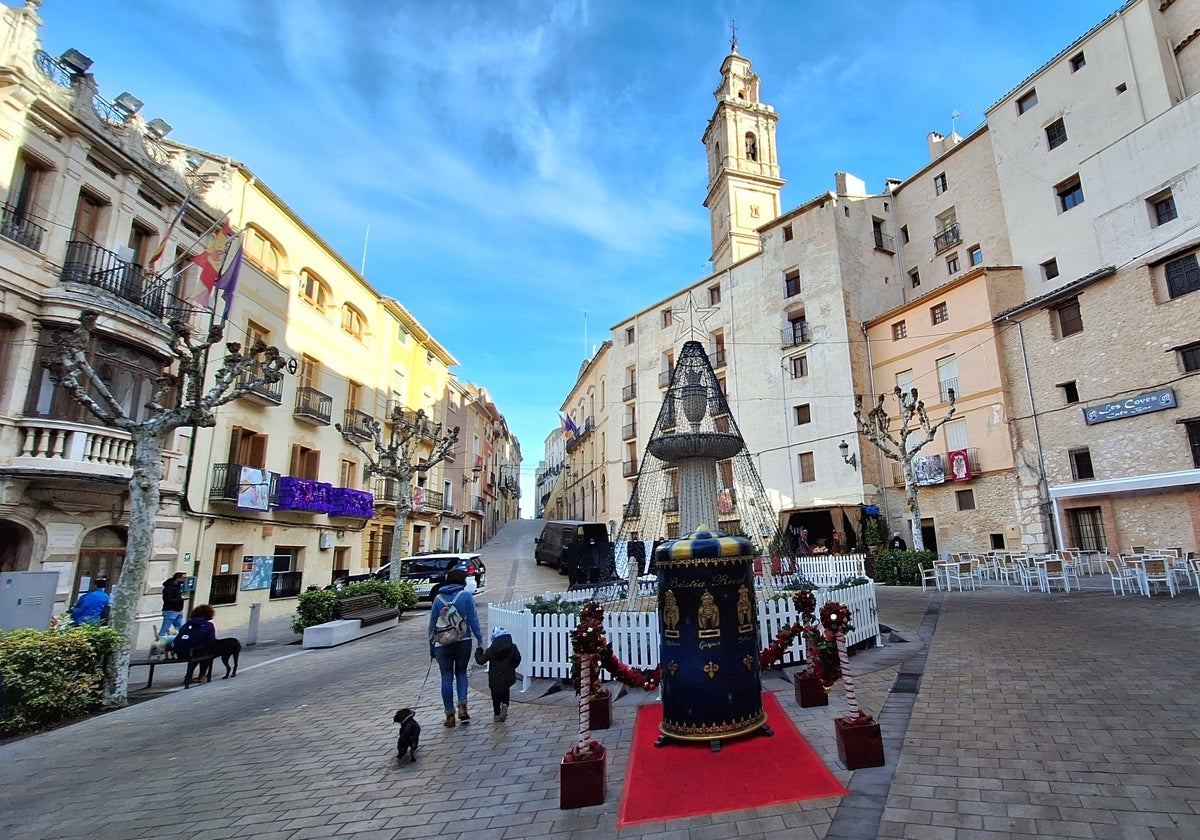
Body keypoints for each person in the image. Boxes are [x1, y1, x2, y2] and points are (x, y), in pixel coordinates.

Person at [428, 569, 485, 728]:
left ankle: (449, 716)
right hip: (463, 640)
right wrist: (480, 640)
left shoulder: (438, 598)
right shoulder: (466, 597)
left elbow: (432, 624)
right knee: (461, 673)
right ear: (462, 581)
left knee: (446, 678)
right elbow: (473, 619)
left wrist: (432, 645)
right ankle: (463, 707)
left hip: (442, 643)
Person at [474, 626, 522, 722]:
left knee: (495, 696)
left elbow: (481, 661)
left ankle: (497, 714)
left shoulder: (491, 650)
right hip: (508, 675)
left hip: (495, 677)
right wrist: (513, 666)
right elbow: (517, 659)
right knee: (505, 691)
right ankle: (505, 704)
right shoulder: (513, 647)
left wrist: (478, 651)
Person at [158, 572, 187, 637]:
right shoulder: (169, 588)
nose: (184, 580)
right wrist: (181, 600)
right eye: (183, 578)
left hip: (178, 610)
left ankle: (182, 641)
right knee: (164, 629)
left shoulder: (177, 587)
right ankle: (157, 643)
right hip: (170, 611)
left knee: (182, 629)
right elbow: (168, 600)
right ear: (177, 578)